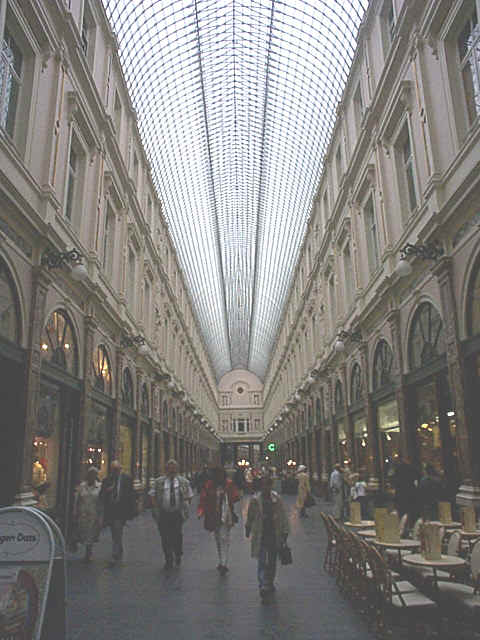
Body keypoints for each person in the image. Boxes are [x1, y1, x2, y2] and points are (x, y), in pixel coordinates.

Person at [245, 475, 290, 600]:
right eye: (264, 485)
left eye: (268, 485)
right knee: (262, 560)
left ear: (271, 486)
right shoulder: (255, 500)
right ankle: (263, 585)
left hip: (274, 534)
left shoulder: (277, 499)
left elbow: (283, 516)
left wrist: (285, 531)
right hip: (261, 533)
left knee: (272, 561)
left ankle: (270, 581)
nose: (266, 488)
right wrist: (248, 527)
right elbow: (250, 515)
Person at [197, 467, 240, 575]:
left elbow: (236, 497)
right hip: (213, 515)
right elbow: (203, 498)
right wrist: (201, 511)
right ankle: (221, 560)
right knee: (218, 538)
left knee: (224, 538)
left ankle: (224, 563)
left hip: (226, 515)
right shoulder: (209, 485)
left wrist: (228, 494)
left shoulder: (229, 484)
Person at [152, 459, 194, 569]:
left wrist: (185, 507)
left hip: (177, 513)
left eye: (174, 469)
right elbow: (152, 495)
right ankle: (168, 558)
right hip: (164, 513)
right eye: (170, 469)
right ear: (166, 470)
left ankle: (178, 553)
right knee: (165, 536)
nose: (172, 471)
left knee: (177, 535)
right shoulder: (159, 482)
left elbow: (189, 495)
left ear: (177, 470)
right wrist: (156, 508)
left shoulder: (183, 482)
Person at [100, 460, 136, 566]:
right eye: (113, 469)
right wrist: (107, 491)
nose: (115, 471)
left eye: (117, 469)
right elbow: (102, 495)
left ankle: (115, 553)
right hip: (111, 510)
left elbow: (131, 495)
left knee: (117, 529)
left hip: (121, 510)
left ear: (120, 469)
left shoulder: (127, 479)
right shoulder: (107, 480)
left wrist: (132, 510)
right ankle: (119, 548)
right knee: (114, 531)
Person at [73, 467, 103, 562]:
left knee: (91, 534)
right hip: (82, 513)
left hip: (94, 514)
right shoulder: (82, 486)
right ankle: (82, 548)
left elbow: (101, 502)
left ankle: (88, 552)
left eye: (94, 475)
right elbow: (77, 500)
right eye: (90, 475)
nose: (92, 477)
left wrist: (101, 515)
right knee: (82, 533)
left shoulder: (99, 487)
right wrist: (75, 512)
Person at [392, 455, 419, 528]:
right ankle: (408, 528)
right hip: (410, 494)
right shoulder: (412, 468)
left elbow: (395, 481)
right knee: (409, 514)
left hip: (400, 495)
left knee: (401, 514)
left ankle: (401, 529)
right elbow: (416, 480)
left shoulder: (398, 468)